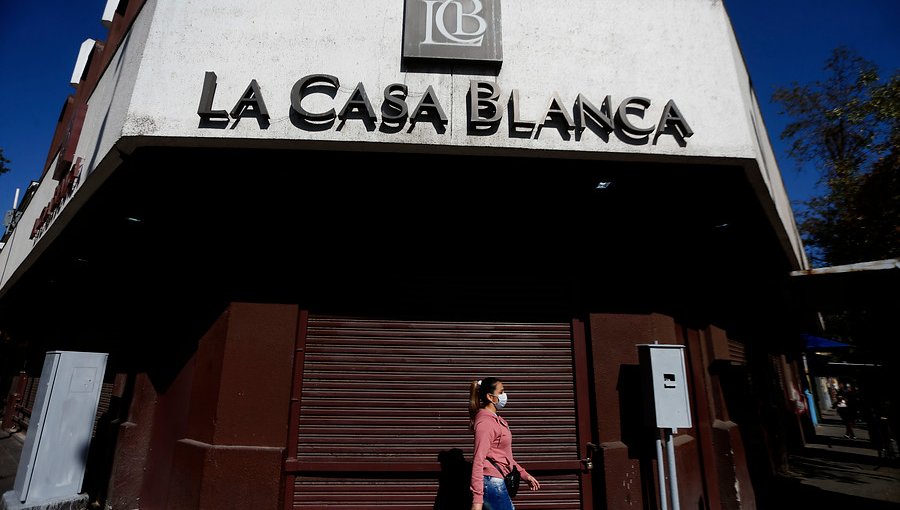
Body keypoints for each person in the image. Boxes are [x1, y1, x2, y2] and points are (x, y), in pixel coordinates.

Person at [469, 377, 540, 510]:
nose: (504, 396)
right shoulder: (485, 423)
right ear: (490, 397)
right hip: (491, 483)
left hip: (498, 481)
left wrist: (524, 474)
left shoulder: (496, 420)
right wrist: (477, 500)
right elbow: (478, 460)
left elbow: (504, 457)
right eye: (501, 392)